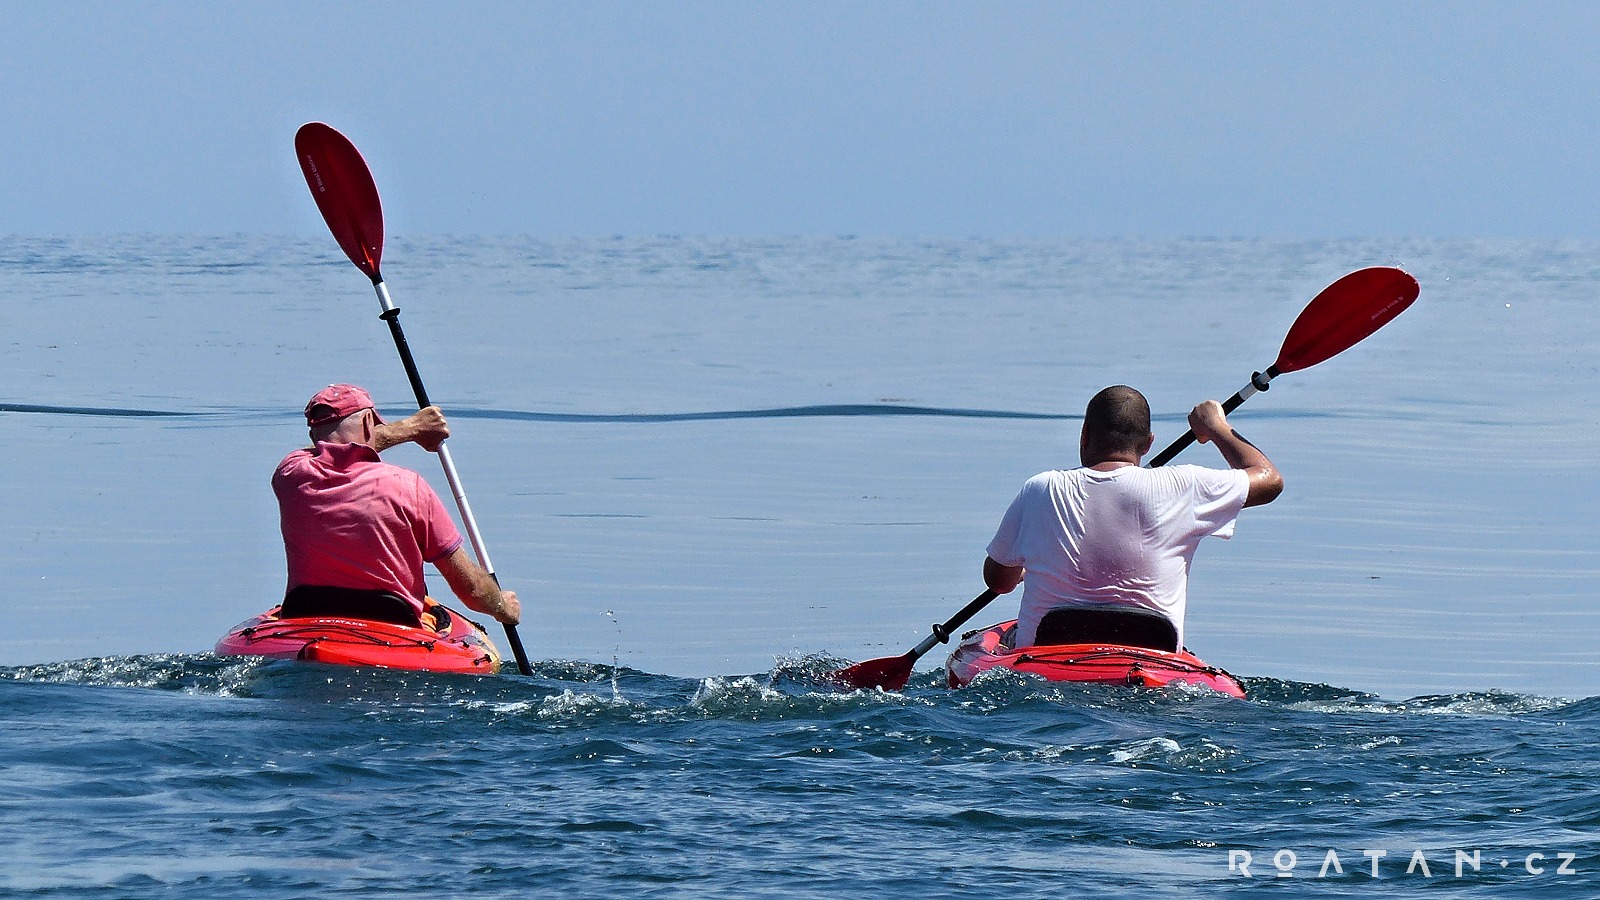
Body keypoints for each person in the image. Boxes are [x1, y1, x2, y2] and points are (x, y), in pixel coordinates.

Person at [982, 385, 1281, 650]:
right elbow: (1269, 481)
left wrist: (1023, 571)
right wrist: (1216, 427)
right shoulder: (1185, 486)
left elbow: (998, 581)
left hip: (1049, 656)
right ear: (1148, 443)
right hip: (1151, 661)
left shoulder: (1041, 489)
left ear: (1084, 435)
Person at [272, 383, 520, 628]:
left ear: (313, 437)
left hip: (307, 621)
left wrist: (411, 429)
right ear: (369, 422)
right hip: (393, 629)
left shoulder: (290, 474)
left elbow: (333, 450)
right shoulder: (410, 486)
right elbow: (472, 590)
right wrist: (502, 606)